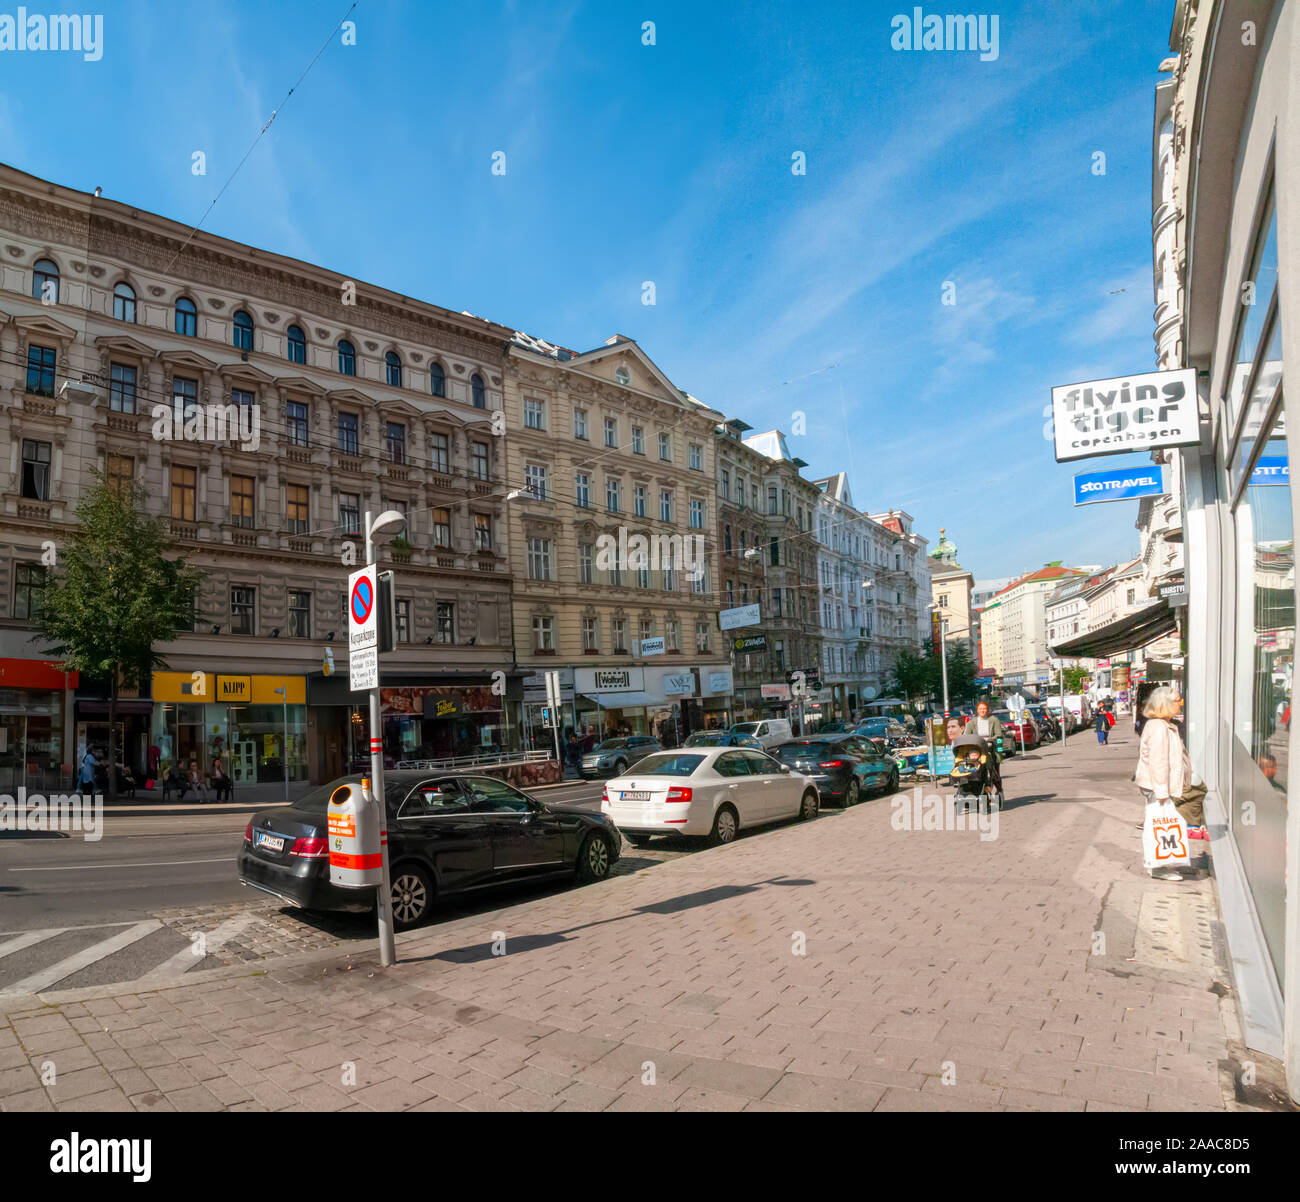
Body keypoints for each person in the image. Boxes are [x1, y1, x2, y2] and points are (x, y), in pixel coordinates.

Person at [1135, 687, 1194, 880]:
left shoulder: (1164, 725)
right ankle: (1158, 867)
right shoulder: (1159, 727)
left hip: (1160, 785)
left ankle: (1164, 862)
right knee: (1160, 825)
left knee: (1163, 824)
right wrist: (1161, 791)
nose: (1181, 704)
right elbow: (1158, 761)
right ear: (1165, 704)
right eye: (1178, 700)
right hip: (1157, 785)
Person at [964, 700, 1006, 795]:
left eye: (984, 708)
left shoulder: (994, 720)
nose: (982, 710)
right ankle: (981, 790)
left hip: (991, 748)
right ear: (977, 710)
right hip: (977, 749)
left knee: (994, 772)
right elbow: (967, 736)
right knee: (978, 771)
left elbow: (999, 735)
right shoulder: (972, 722)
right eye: (980, 709)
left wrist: (989, 739)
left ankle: (999, 790)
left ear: (987, 710)